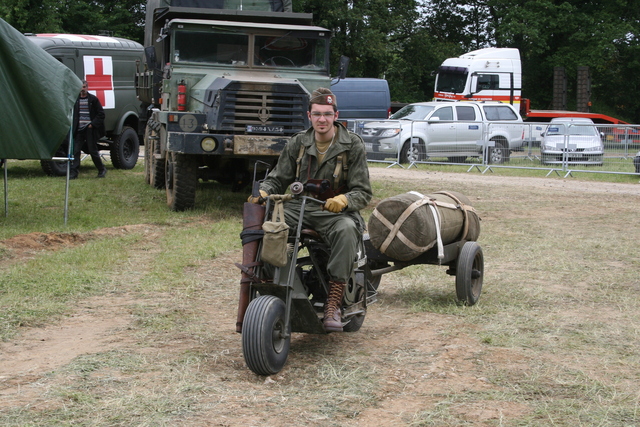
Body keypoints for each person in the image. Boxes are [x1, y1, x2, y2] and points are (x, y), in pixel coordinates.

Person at [248, 87, 373, 332]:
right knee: (270, 225)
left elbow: (363, 192)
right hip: (299, 206)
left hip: (335, 213)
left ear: (336, 116)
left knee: (347, 230)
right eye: (317, 114)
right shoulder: (299, 142)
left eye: (327, 114)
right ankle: (270, 279)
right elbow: (277, 177)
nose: (322, 119)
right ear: (309, 116)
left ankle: (333, 303)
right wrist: (263, 192)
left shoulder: (352, 144)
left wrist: (344, 200)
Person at [70, 80, 106, 179]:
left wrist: (92, 124)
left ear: (87, 87)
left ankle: (101, 169)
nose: (83, 89)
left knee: (92, 150)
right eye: (81, 87)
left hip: (89, 129)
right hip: (79, 130)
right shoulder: (76, 100)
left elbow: (101, 114)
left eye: (84, 87)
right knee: (76, 151)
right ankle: (74, 173)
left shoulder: (93, 100)